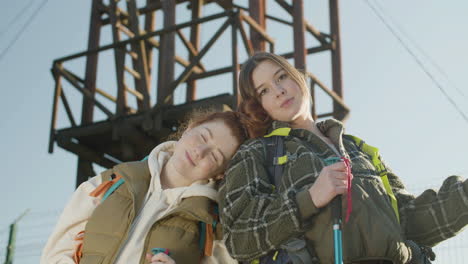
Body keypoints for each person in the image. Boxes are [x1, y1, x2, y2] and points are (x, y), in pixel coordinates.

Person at [218, 52, 468, 264]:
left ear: (297, 77)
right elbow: (240, 238)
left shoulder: (359, 149)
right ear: (260, 106)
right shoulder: (257, 152)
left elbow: (409, 219)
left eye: (281, 77)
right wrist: (309, 199)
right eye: (264, 91)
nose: (279, 91)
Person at [41, 110, 248, 264]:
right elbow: (58, 250)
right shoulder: (111, 181)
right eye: (203, 137)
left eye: (214, 155)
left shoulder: (212, 228)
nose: (200, 151)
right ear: (189, 128)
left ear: (220, 173)